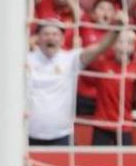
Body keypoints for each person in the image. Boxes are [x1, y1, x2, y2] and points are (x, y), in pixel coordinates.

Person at [27, 18, 122, 146]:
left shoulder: (70, 59)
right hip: (29, 135)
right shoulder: (26, 59)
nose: (51, 38)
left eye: (55, 34)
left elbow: (99, 48)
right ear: (38, 38)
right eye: (46, 34)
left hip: (62, 136)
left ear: (62, 39)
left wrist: (117, 29)